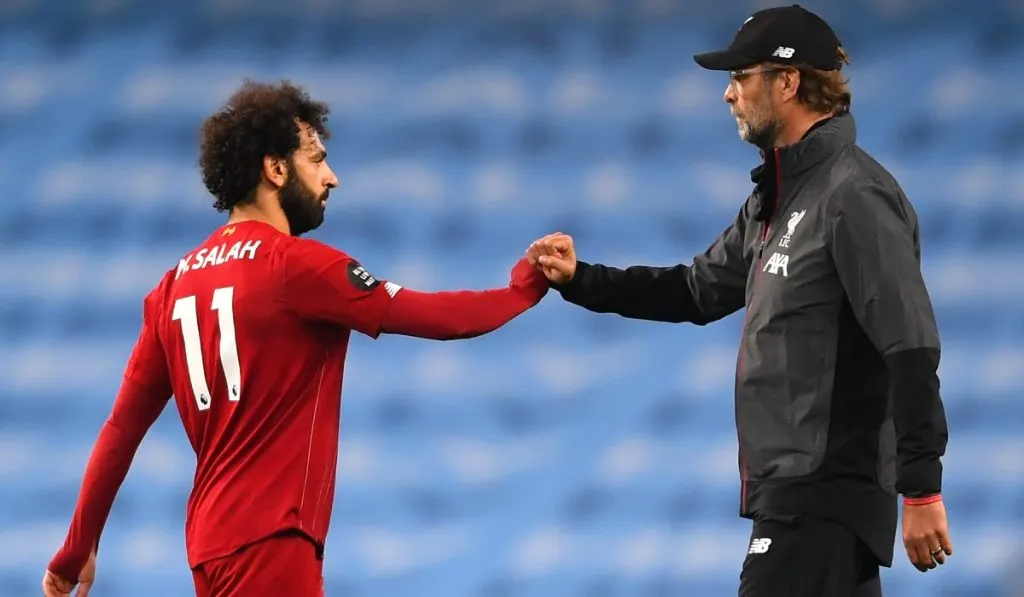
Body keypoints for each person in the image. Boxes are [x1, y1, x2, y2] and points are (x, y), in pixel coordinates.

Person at [43, 79, 548, 597]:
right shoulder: (298, 268)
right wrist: (526, 287)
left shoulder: (170, 291)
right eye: (317, 158)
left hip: (209, 552)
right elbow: (438, 317)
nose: (332, 177)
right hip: (273, 542)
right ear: (276, 168)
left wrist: (77, 546)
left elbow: (119, 431)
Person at [526, 5, 951, 596]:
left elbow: (910, 342)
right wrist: (582, 279)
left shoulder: (853, 195)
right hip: (799, 498)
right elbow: (695, 290)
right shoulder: (776, 199)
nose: (728, 95)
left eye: (739, 77)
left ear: (788, 81)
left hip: (820, 493)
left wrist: (922, 487)